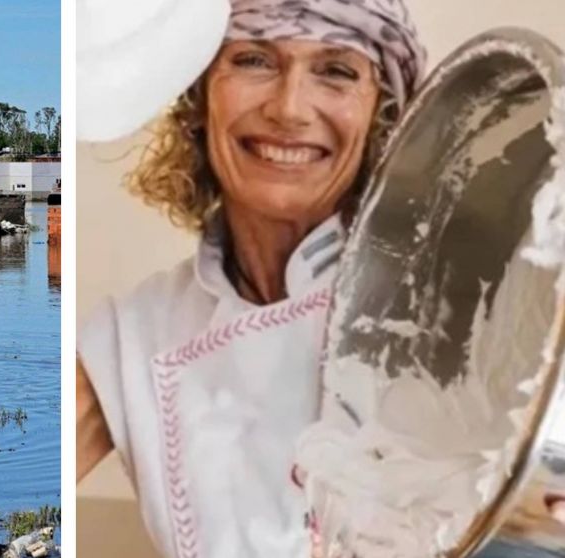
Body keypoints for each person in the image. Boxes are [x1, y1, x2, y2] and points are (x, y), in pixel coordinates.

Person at [77, 1, 426, 557]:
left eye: (336, 71)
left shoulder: (449, 305)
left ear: (380, 117)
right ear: (198, 97)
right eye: (254, 60)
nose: (289, 108)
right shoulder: (135, 337)